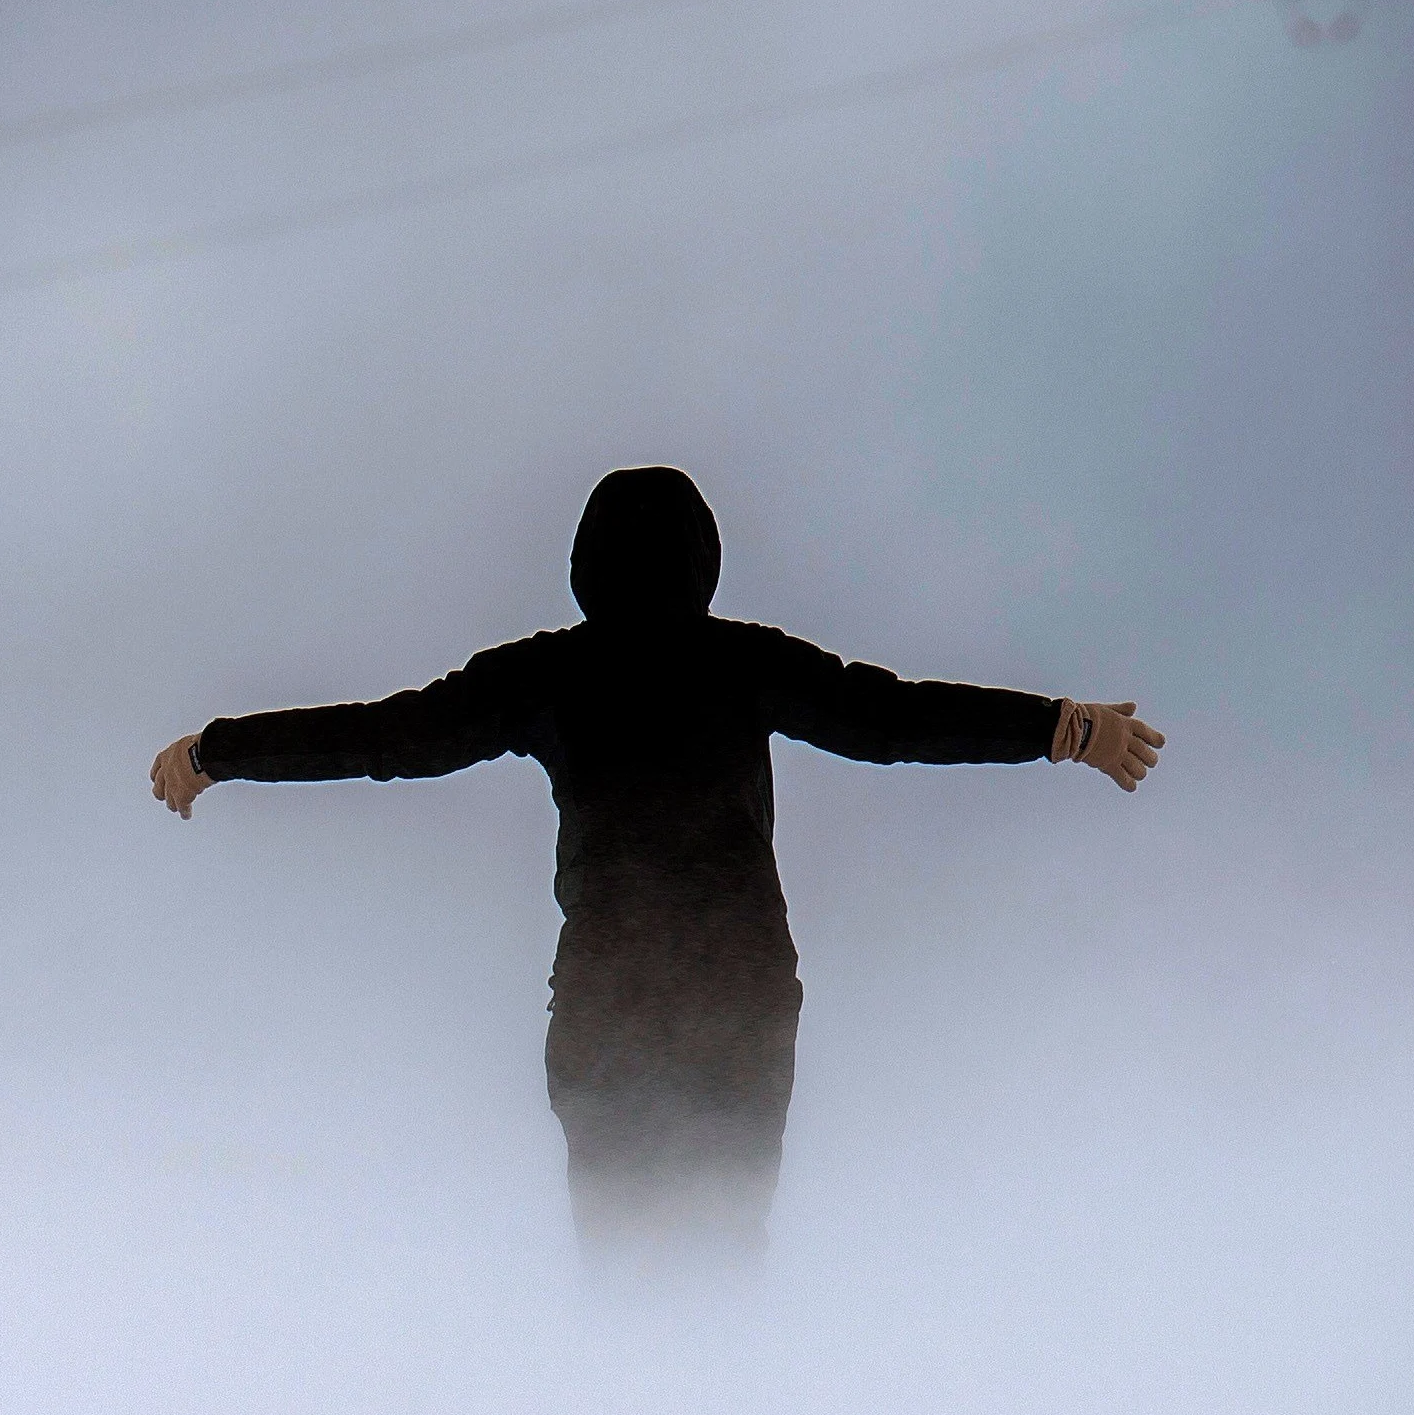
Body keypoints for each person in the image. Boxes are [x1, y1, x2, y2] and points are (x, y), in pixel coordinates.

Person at [148, 466, 1157, 1254]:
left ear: (584, 567)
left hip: (609, 993)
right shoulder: (741, 660)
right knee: (722, 1241)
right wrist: (1058, 727)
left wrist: (218, 749)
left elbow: (381, 736)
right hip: (737, 986)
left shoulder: (544, 674)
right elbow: (889, 715)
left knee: (624, 1253)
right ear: (701, 565)